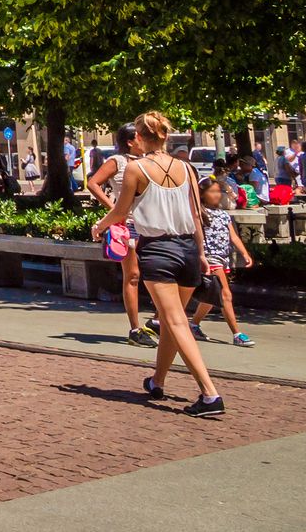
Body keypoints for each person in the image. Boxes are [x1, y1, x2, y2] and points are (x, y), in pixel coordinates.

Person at [94, 110, 223, 418]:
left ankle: (209, 394)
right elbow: (195, 215)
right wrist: (202, 253)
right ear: (165, 135)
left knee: (176, 321)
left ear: (139, 137)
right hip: (188, 247)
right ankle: (158, 381)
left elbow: (121, 212)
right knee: (169, 320)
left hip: (159, 250)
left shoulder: (137, 170)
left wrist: (100, 226)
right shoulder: (186, 168)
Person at [86, 124, 152, 347]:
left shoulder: (151, 160)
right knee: (132, 275)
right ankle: (135, 328)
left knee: (158, 274)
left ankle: (159, 321)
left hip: (154, 225)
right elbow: (93, 182)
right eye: (140, 137)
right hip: (130, 224)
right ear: (131, 141)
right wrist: (113, 208)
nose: (144, 140)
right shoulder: (119, 161)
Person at [186, 176, 254, 347]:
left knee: (210, 296)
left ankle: (193, 324)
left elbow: (233, 236)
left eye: (218, 191)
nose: (217, 195)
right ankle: (236, 333)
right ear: (202, 194)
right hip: (210, 258)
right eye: (212, 191)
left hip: (222, 258)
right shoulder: (198, 213)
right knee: (225, 294)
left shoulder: (223, 214)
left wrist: (244, 253)